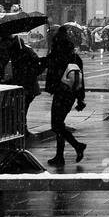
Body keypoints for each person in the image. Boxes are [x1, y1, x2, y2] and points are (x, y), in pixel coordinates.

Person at [42, 26, 87, 166]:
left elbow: (44, 66)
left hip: (61, 93)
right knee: (58, 124)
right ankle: (61, 155)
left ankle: (75, 147)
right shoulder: (74, 57)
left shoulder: (56, 56)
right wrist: (80, 98)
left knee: (56, 125)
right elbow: (80, 79)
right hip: (70, 94)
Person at [5, 35, 44, 120]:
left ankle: (22, 128)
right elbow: (39, 66)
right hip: (28, 86)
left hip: (26, 86)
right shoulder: (22, 51)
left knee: (20, 110)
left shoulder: (19, 52)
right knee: (21, 109)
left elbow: (38, 66)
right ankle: (22, 128)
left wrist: (29, 75)